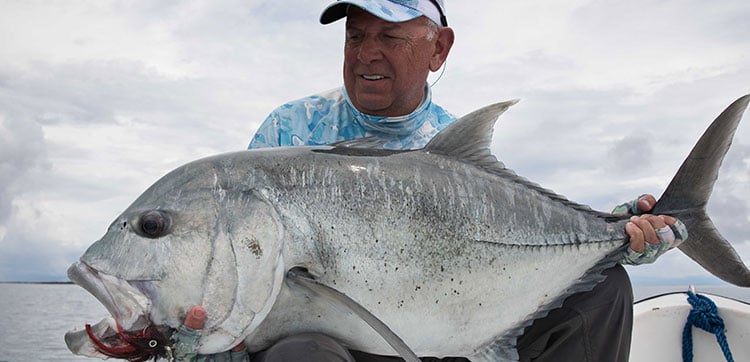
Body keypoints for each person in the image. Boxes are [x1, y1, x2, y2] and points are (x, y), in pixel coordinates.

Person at [176, 1, 687, 361]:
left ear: (438, 49)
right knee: (299, 353)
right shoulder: (288, 131)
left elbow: (526, 243)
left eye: (390, 36)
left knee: (608, 290)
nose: (366, 53)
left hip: (444, 327)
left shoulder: (452, 146)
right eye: (356, 35)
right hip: (334, 342)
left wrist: (619, 235)